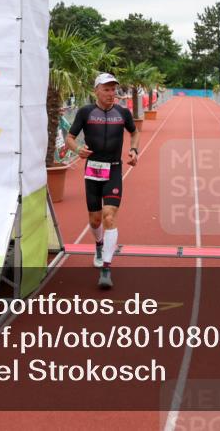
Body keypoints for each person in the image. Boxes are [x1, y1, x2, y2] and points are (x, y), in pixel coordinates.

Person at [65, 72, 140, 290]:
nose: (111, 94)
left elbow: (135, 133)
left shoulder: (123, 113)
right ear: (96, 90)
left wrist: (134, 150)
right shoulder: (86, 112)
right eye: (106, 89)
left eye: (113, 89)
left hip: (114, 169)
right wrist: (78, 149)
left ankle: (106, 267)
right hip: (93, 171)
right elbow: (70, 138)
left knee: (109, 216)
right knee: (96, 219)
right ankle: (99, 245)